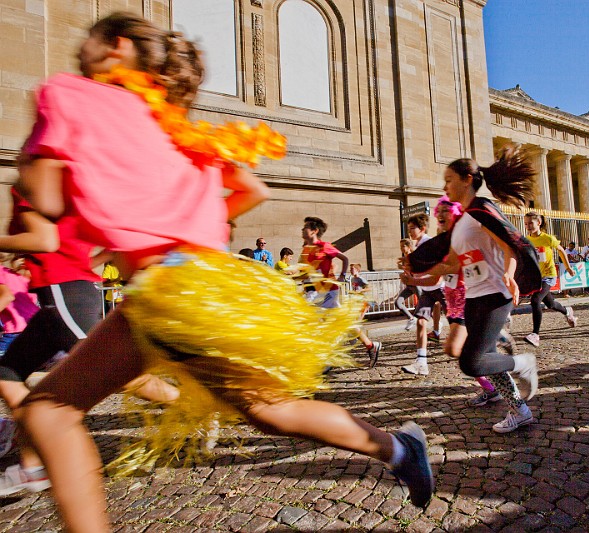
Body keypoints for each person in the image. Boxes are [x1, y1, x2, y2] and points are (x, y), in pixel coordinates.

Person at [14, 13, 432, 529]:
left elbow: (47, 200)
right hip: (205, 283)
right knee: (270, 410)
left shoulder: (71, 94)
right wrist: (184, 227)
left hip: (169, 290)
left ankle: (401, 449)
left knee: (48, 412)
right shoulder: (180, 125)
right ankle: (401, 449)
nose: (81, 52)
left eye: (89, 43)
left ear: (117, 47)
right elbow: (254, 189)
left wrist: (34, 150)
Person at [0, 189, 179, 496]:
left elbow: (45, 241)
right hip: (60, 295)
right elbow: (104, 245)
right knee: (7, 372)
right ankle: (34, 460)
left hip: (64, 293)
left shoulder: (35, 185)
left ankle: (189, 404)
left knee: (110, 376)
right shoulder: (69, 193)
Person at [405, 148, 540, 433]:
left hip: (494, 295)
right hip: (474, 298)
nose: (444, 187)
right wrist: (416, 275)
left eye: (449, 179)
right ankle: (520, 411)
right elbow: (451, 265)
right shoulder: (462, 222)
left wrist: (509, 273)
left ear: (467, 179)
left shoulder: (481, 210)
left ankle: (523, 363)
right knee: (487, 359)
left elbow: (509, 243)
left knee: (472, 361)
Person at [300, 216, 381, 367]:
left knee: (317, 322)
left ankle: (326, 358)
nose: (302, 230)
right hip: (318, 292)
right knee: (342, 323)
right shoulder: (306, 249)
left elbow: (344, 258)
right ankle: (370, 345)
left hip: (329, 291)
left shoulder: (325, 246)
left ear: (314, 231)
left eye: (305, 228)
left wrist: (343, 275)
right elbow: (307, 272)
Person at [523, 212, 577, 347]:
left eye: (531, 223)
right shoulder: (526, 240)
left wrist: (568, 268)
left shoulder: (547, 238)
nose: (528, 226)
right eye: (526, 224)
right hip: (536, 277)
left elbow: (561, 251)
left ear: (538, 223)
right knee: (551, 304)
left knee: (535, 300)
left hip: (548, 275)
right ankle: (567, 311)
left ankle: (535, 334)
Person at [403, 214, 445, 376]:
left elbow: (437, 269)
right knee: (420, 322)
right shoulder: (417, 246)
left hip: (440, 289)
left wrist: (413, 278)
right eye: (408, 229)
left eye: (412, 228)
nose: (410, 232)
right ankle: (421, 362)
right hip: (427, 290)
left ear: (422, 228)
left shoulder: (429, 244)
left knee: (460, 325)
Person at [394, 239, 421, 331]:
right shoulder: (404, 259)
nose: (401, 248)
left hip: (417, 284)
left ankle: (436, 322)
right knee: (397, 302)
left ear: (408, 247)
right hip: (410, 286)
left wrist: (402, 267)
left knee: (424, 304)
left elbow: (415, 270)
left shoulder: (412, 257)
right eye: (400, 246)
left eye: (403, 246)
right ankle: (411, 318)